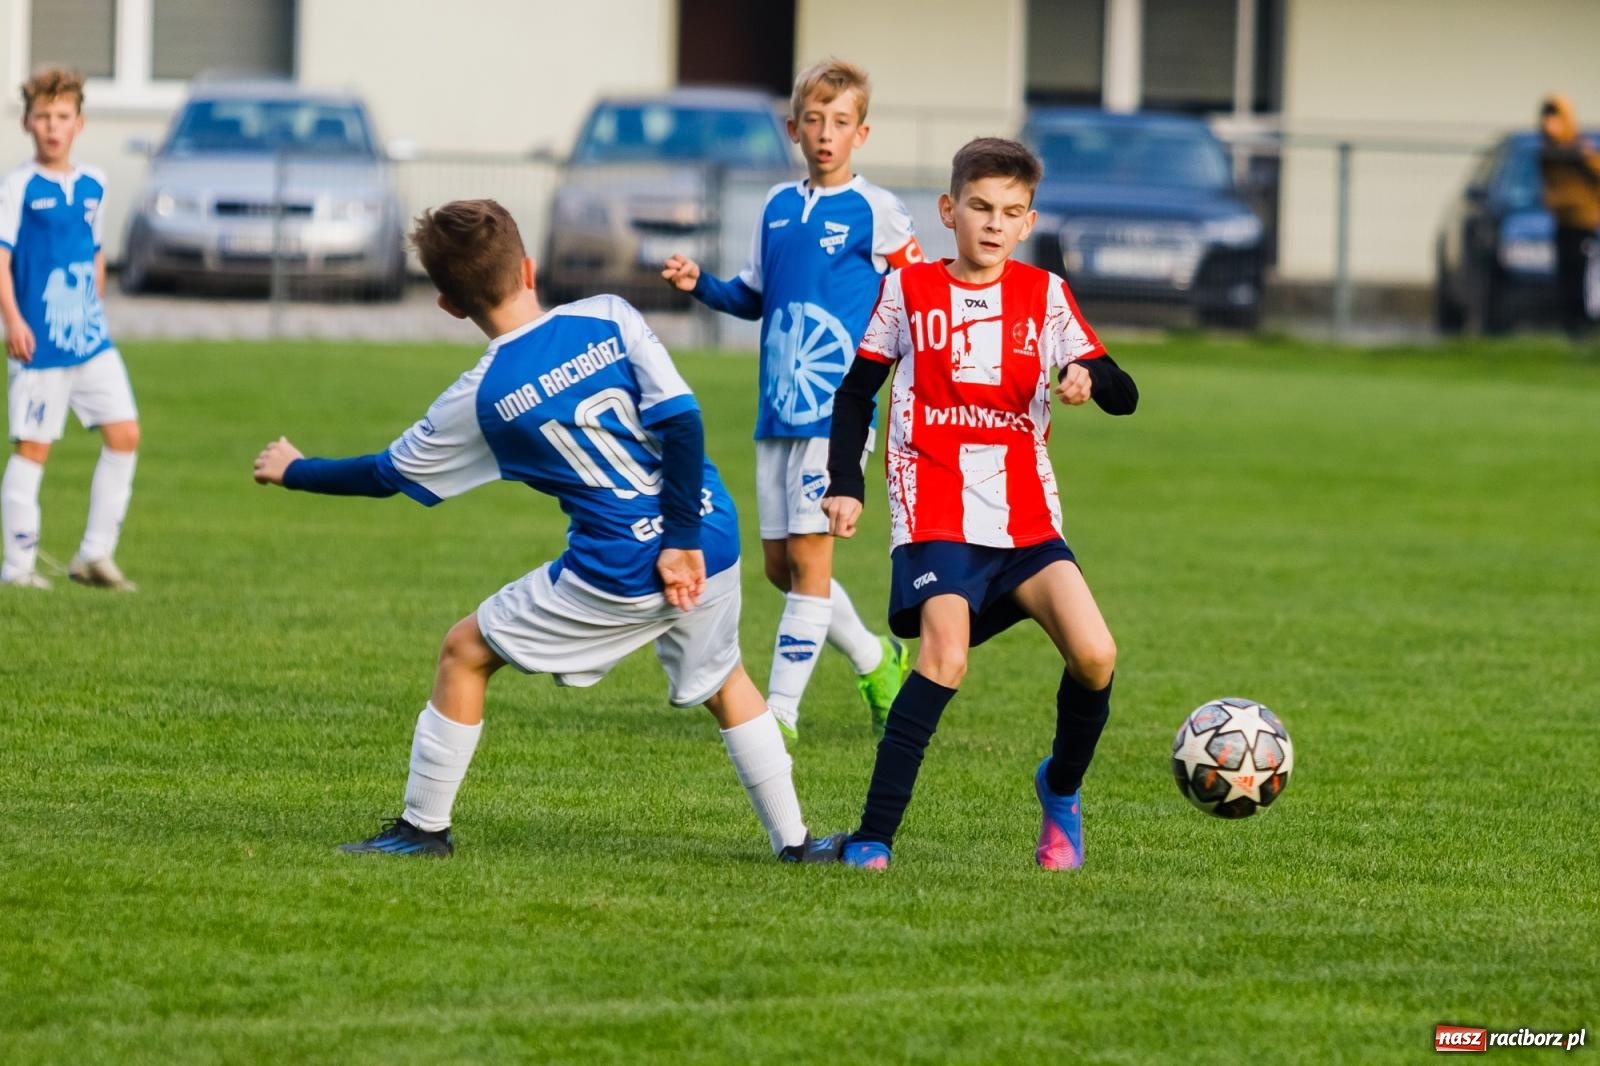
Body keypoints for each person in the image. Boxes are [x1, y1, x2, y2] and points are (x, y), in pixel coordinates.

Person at [253, 199, 838, 863]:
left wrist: (295, 469)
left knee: (464, 651)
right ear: (528, 267)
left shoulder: (480, 396)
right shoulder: (610, 315)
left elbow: (386, 474)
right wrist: (682, 536)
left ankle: (423, 831)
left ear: (447, 304)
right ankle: (796, 844)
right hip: (711, 532)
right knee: (727, 679)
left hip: (623, 565)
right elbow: (682, 421)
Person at [819, 138, 1139, 871]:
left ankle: (1059, 790)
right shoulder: (909, 292)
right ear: (949, 210)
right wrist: (846, 482)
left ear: (1028, 223)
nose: (994, 224)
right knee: (946, 658)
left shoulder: (1045, 295)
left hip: (1026, 520)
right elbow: (856, 393)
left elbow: (1125, 392)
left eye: (1011, 213)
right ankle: (873, 838)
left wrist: (1090, 378)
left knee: (1096, 655)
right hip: (934, 510)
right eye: (981, 207)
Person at [661, 58, 922, 741]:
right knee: (783, 569)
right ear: (793, 128)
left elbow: (921, 296)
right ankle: (877, 659)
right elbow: (752, 294)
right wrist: (701, 285)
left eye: (841, 122)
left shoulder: (877, 211)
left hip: (835, 411)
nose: (826, 133)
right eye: (815, 121)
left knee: (810, 566)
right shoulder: (777, 207)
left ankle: (780, 714)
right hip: (776, 408)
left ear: (862, 134)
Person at [1, 68, 139, 591]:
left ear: (78, 124)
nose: (52, 127)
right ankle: (17, 568)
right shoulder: (18, 187)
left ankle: (93, 555)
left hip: (90, 340)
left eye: (62, 117)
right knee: (34, 449)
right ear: (26, 123)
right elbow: (2, 259)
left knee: (125, 434)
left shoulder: (94, 183)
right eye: (42, 117)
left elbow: (96, 253)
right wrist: (13, 320)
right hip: (38, 343)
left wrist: (93, 305)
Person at [1537, 95, 1600, 341]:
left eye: (1554, 118)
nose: (1549, 124)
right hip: (1562, 222)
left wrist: (1580, 155)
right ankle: (1571, 327)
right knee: (1567, 275)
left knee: (1583, 276)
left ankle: (1584, 327)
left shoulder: (1580, 150)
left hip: (1582, 223)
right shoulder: (1548, 152)